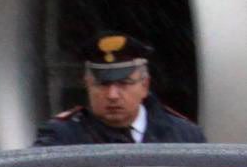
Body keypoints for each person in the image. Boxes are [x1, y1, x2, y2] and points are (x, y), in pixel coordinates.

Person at [33, 34, 207, 146]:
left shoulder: (185, 137)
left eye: (124, 83)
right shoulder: (61, 138)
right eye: (102, 85)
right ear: (87, 85)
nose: (112, 95)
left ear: (145, 86)